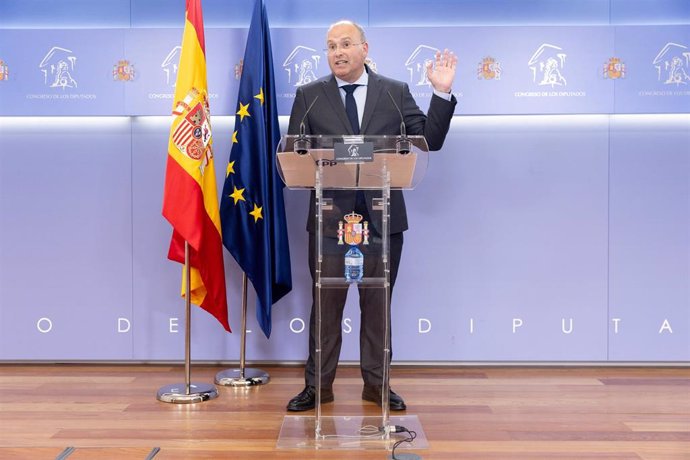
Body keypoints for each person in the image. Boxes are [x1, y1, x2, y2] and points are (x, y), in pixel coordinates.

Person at [286, 20, 457, 412]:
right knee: (324, 307)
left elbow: (429, 139)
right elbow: (295, 150)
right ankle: (317, 388)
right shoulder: (309, 96)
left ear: (365, 48)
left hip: (382, 219)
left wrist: (441, 93)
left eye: (345, 44)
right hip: (330, 222)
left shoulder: (394, 92)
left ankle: (377, 387)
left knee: (377, 306)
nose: (337, 52)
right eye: (330, 46)